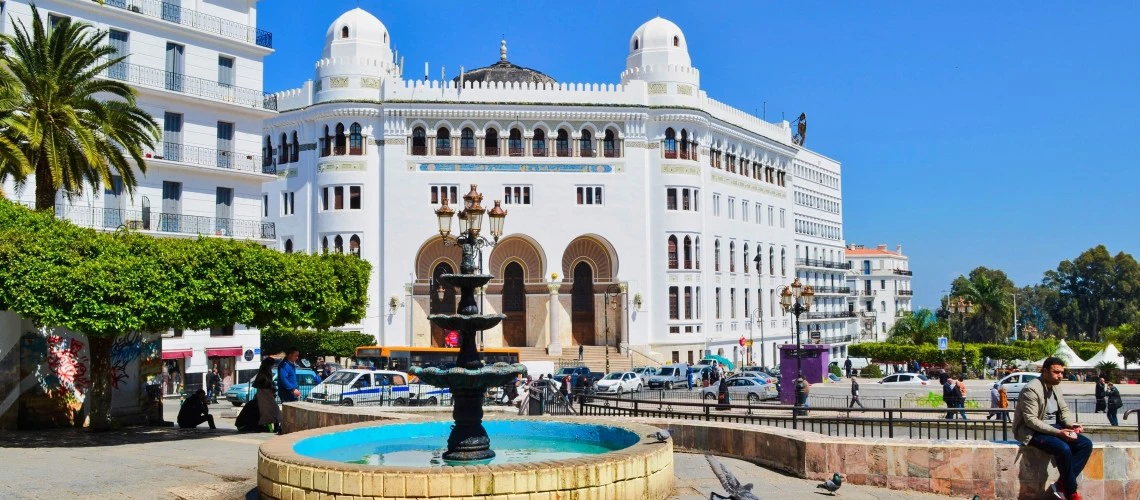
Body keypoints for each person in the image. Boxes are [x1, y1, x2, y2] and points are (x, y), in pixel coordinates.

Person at [1014, 357, 1091, 500]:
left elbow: (1064, 409)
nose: (1060, 376)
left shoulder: (1056, 386)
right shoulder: (1031, 389)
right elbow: (1031, 421)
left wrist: (1070, 425)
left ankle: (1062, 484)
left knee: (1085, 444)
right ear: (1044, 371)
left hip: (1055, 428)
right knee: (1063, 449)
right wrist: (1059, 433)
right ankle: (1071, 491)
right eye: (1056, 372)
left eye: (1062, 372)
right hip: (1032, 431)